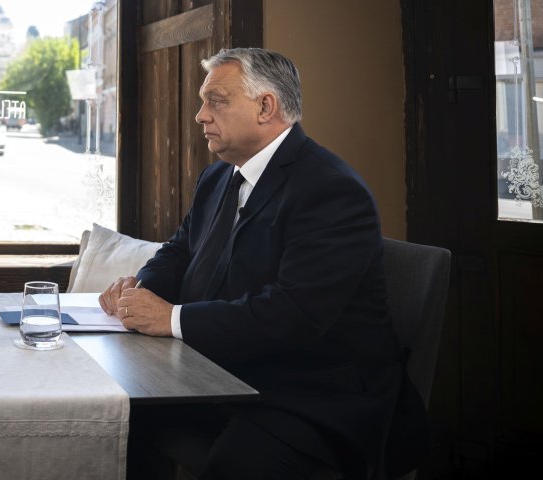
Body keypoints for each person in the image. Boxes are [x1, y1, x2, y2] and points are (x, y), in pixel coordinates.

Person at [99, 48, 430, 480]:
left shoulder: (331, 190)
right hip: (224, 372)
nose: (200, 115)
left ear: (265, 107)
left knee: (232, 465)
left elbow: (293, 314)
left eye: (216, 101)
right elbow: (179, 252)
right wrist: (140, 290)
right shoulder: (217, 176)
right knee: (114, 417)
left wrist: (170, 318)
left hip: (313, 396)